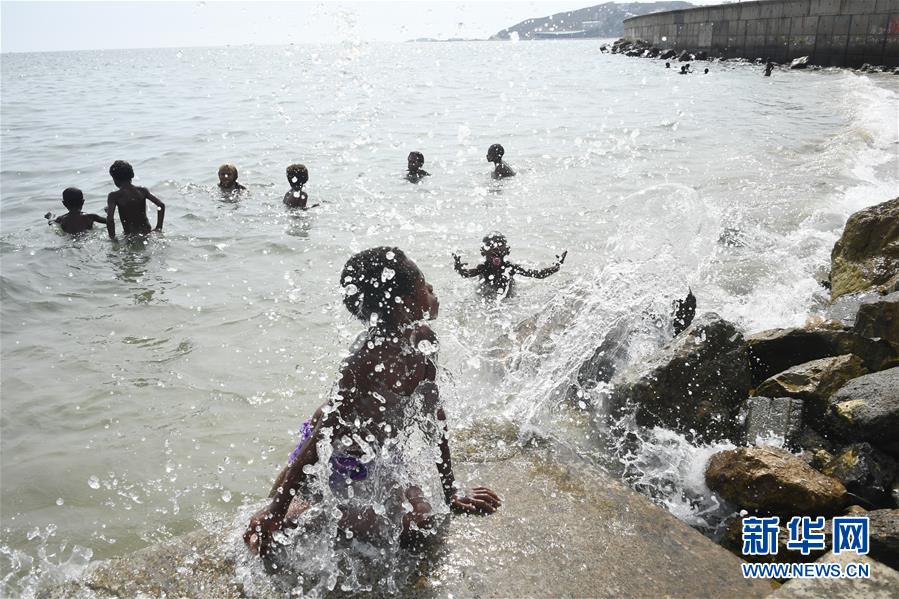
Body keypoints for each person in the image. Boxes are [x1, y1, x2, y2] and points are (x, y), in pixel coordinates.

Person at [244, 247, 500, 561]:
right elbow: (325, 429)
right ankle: (298, 511)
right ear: (403, 304)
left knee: (424, 524)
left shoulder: (425, 341)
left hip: (382, 454)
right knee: (412, 530)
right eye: (424, 284)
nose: (432, 289)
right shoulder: (366, 359)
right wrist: (276, 507)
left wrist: (451, 489)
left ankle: (314, 505)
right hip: (345, 457)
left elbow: (433, 413)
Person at [453, 232, 567, 297]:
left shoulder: (510, 267)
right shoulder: (483, 268)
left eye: (499, 245)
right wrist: (458, 268)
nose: (496, 248)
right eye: (491, 245)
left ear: (507, 250)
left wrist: (556, 267)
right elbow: (466, 274)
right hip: (486, 296)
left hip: (508, 298)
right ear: (483, 252)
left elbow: (537, 274)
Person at [106, 161, 165, 240]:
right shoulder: (142, 190)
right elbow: (161, 205)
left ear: (114, 179)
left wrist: (113, 238)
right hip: (147, 233)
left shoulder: (114, 196)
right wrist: (159, 227)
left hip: (130, 236)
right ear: (132, 175)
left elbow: (110, 219)